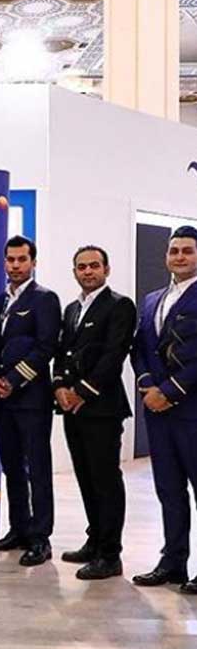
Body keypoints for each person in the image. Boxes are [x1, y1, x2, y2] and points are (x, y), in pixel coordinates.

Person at [53, 245, 136, 580]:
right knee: (85, 477)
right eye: (81, 266)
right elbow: (61, 352)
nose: (88, 271)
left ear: (106, 269)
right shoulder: (72, 308)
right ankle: (95, 540)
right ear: (75, 271)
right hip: (71, 409)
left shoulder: (119, 305)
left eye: (94, 266)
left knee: (105, 481)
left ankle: (110, 555)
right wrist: (59, 387)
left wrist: (81, 392)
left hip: (102, 408)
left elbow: (114, 355)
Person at [0, 235, 61, 567]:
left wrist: (13, 380)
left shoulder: (45, 299)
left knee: (38, 468)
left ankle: (41, 537)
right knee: (12, 467)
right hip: (0, 399)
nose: (15, 265)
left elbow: (46, 347)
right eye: (10, 259)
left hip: (31, 399)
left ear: (33, 262)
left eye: (22, 259)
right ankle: (19, 528)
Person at [132, 225, 197, 592]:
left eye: (187, 250)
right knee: (168, 490)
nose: (180, 256)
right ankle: (173, 562)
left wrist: (170, 391)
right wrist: (147, 384)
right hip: (157, 412)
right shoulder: (152, 299)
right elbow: (139, 348)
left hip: (191, 410)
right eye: (174, 251)